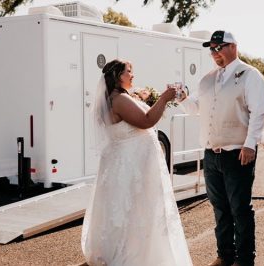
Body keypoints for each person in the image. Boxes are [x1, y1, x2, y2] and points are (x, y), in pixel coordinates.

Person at [81, 59, 193, 266]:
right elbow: (147, 120)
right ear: (117, 76)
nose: (133, 75)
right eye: (129, 72)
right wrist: (165, 98)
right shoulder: (119, 100)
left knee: (130, 212)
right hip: (131, 167)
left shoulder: (118, 98)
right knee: (136, 211)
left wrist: (142, 98)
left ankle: (127, 250)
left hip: (128, 163)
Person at [183, 31, 264, 266]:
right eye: (211, 49)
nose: (215, 53)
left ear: (234, 47)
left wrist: (250, 145)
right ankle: (225, 255)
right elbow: (197, 109)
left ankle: (244, 259)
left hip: (238, 152)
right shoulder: (208, 79)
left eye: (219, 47)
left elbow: (259, 111)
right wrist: (181, 98)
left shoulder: (251, 75)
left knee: (240, 208)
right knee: (220, 208)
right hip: (212, 154)